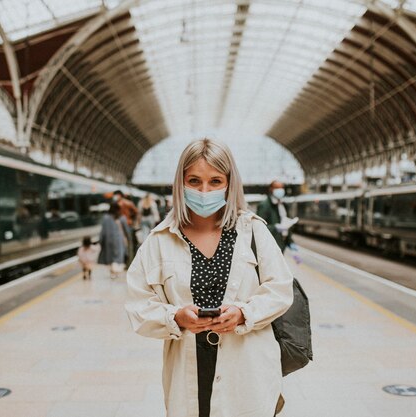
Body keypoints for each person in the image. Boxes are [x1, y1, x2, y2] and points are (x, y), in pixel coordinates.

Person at [125, 139, 293, 417]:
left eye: (215, 181)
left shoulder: (253, 232)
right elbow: (138, 305)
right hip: (188, 371)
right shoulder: (159, 241)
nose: (204, 191)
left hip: (248, 371)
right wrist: (176, 317)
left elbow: (280, 289)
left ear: (230, 183)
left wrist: (243, 313)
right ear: (180, 183)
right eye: (194, 181)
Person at [256, 180, 292, 253]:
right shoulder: (264, 205)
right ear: (271, 189)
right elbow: (259, 226)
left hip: (282, 243)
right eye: (277, 188)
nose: (280, 190)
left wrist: (290, 241)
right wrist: (275, 227)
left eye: (282, 188)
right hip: (271, 245)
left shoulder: (284, 205)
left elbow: (286, 224)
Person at [98, 202, 127, 278]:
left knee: (110, 256)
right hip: (118, 240)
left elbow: (103, 231)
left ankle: (112, 272)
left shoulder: (105, 218)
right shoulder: (121, 217)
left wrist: (101, 241)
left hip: (108, 240)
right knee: (117, 256)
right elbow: (126, 230)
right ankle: (116, 271)